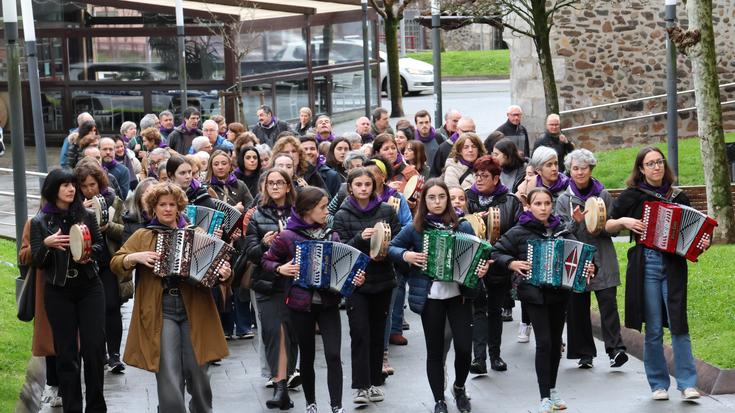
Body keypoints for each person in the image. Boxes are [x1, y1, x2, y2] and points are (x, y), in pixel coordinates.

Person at [111, 182, 231, 412]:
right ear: (152, 208)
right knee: (168, 373)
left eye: (172, 205)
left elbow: (219, 271)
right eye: (162, 205)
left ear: (179, 207)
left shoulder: (196, 233)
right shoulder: (143, 235)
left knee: (199, 373)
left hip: (195, 308)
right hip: (161, 309)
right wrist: (134, 257)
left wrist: (225, 273)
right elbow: (117, 262)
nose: (167, 209)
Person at [605, 147, 704, 401]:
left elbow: (692, 234)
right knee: (654, 328)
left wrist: (701, 243)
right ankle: (658, 384)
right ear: (641, 169)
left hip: (673, 265)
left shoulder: (678, 197)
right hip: (646, 263)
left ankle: (687, 383)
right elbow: (608, 225)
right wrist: (625, 222)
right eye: (650, 164)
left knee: (679, 323)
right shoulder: (632, 196)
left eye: (659, 162)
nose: (656, 167)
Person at [389, 178, 489, 413]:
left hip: (459, 296)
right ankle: (438, 400)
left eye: (441, 197)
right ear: (424, 201)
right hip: (430, 298)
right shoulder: (416, 228)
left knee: (464, 348)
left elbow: (478, 255)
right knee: (434, 350)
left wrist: (481, 268)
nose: (437, 202)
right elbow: (392, 248)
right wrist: (407, 256)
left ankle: (459, 387)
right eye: (431, 198)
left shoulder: (462, 226)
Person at [492, 188, 593, 413]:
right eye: (538, 204)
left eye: (547, 203)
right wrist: (512, 263)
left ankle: (553, 389)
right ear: (529, 206)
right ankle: (544, 396)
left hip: (559, 293)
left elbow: (580, 254)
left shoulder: (561, 230)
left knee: (555, 343)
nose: (544, 208)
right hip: (533, 295)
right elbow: (495, 252)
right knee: (544, 342)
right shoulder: (519, 231)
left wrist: (588, 266)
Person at [262, 187, 363, 413]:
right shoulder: (288, 236)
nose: (327, 212)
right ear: (307, 210)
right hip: (300, 306)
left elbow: (344, 273)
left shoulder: (332, 235)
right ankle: (311, 404)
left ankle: (336, 406)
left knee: (334, 355)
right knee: (307, 356)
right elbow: (267, 261)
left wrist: (355, 278)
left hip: (328, 304)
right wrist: (281, 268)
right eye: (323, 207)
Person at [30, 168, 107, 412]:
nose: (71, 189)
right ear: (53, 189)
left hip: (89, 287)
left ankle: (96, 407)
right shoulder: (40, 221)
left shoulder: (85, 214)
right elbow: (37, 261)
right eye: (65, 185)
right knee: (66, 354)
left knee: (94, 349)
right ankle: (73, 407)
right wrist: (46, 244)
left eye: (73, 184)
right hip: (59, 291)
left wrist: (87, 255)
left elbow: (100, 247)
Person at [332, 167, 401, 405]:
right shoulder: (341, 214)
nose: (363, 188)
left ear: (374, 186)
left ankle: (373, 382)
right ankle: (361, 386)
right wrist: (361, 238)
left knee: (377, 333)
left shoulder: (386, 210)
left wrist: (384, 247)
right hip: (356, 282)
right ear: (350, 187)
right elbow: (341, 251)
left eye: (367, 185)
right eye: (358, 184)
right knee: (359, 333)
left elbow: (396, 242)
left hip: (382, 280)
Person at [556, 149, 628, 370]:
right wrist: (577, 223)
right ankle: (584, 352)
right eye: (575, 168)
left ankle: (616, 350)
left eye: (583, 168)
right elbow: (561, 232)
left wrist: (601, 225)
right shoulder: (564, 199)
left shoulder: (603, 194)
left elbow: (613, 227)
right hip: (576, 258)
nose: (579, 172)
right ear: (569, 171)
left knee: (608, 303)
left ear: (591, 169)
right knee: (578, 306)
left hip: (602, 256)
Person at [245, 168, 300, 406]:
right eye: (271, 183)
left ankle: (285, 382)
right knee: (272, 332)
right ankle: (279, 386)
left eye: (280, 183)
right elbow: (250, 253)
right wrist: (266, 245)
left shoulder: (300, 213)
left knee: (290, 334)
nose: (275, 186)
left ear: (288, 186)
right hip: (268, 284)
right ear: (265, 188)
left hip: (296, 282)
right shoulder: (257, 216)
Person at [463, 156, 523, 375]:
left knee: (495, 310)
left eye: (484, 176)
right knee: (478, 309)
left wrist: (501, 253)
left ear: (496, 178)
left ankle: (495, 355)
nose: (479, 180)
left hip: (499, 264)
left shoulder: (510, 201)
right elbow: (459, 226)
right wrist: (472, 220)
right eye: (476, 175)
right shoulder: (468, 199)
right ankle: (479, 359)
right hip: (474, 263)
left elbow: (517, 232)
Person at [20, 218, 63, 408]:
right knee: (49, 339)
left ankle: (66, 386)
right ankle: (54, 385)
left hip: (73, 288)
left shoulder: (76, 217)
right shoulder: (35, 223)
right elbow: (23, 255)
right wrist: (44, 244)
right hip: (45, 287)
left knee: (70, 340)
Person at [121, 177, 157, 244]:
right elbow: (126, 252)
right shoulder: (131, 222)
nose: (150, 200)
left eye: (154, 196)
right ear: (139, 200)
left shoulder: (167, 219)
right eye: (146, 196)